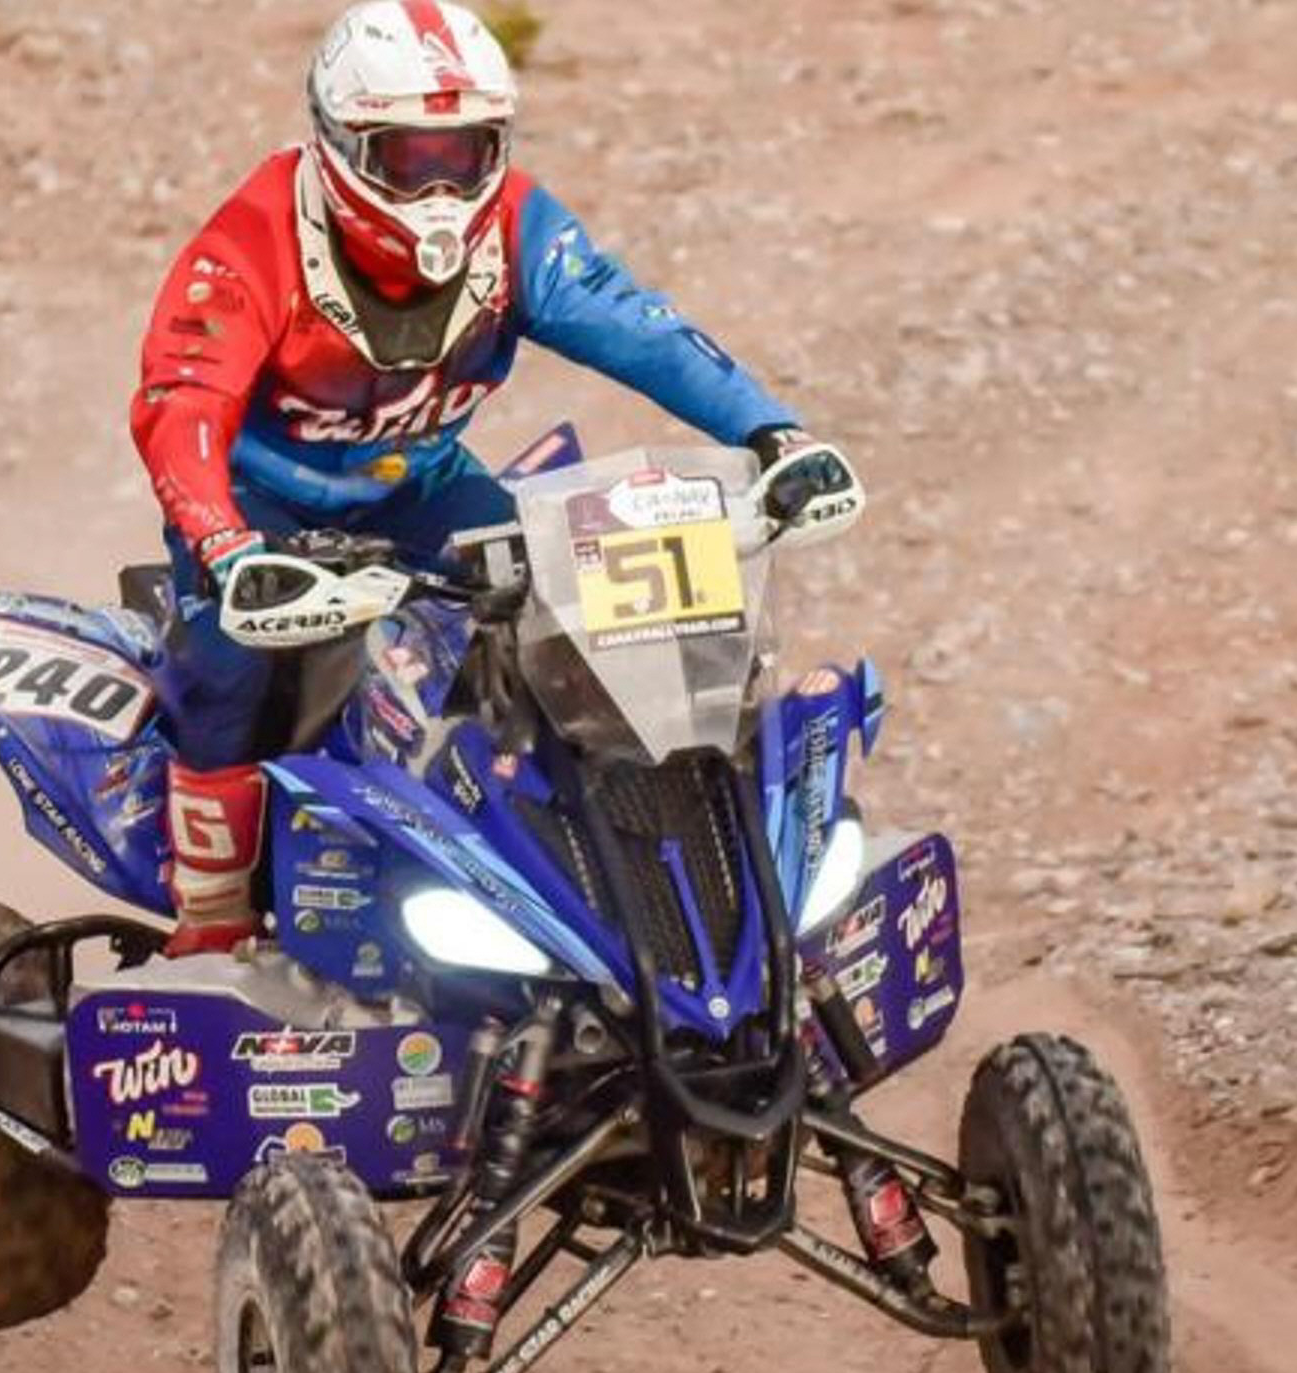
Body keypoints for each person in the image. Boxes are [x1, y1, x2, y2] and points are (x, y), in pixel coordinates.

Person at [131, 0, 865, 956]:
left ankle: (594, 884)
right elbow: (179, 402)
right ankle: (213, 910)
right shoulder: (254, 241)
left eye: (465, 153)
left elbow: (639, 329)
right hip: (258, 505)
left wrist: (772, 433)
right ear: (341, 145)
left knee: (563, 628)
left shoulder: (517, 226)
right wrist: (226, 546)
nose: (441, 188)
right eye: (410, 158)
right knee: (230, 669)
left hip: (422, 483)